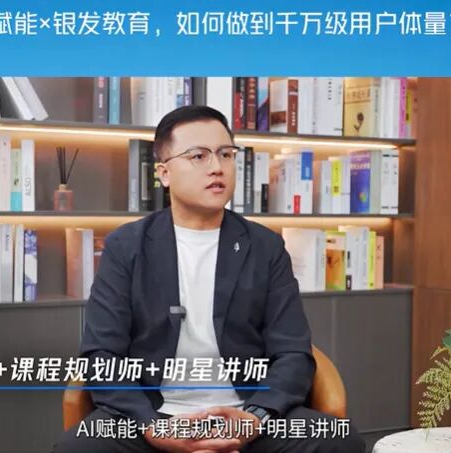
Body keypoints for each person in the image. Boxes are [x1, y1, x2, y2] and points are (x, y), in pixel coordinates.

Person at [53, 105, 366, 453]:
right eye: (198, 156)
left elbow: (293, 352)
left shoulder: (265, 247)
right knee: (77, 448)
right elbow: (101, 355)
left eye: (226, 154)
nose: (217, 167)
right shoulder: (125, 247)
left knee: (340, 441)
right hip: (153, 418)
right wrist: (153, 426)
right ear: (164, 173)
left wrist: (256, 416)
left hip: (246, 416)